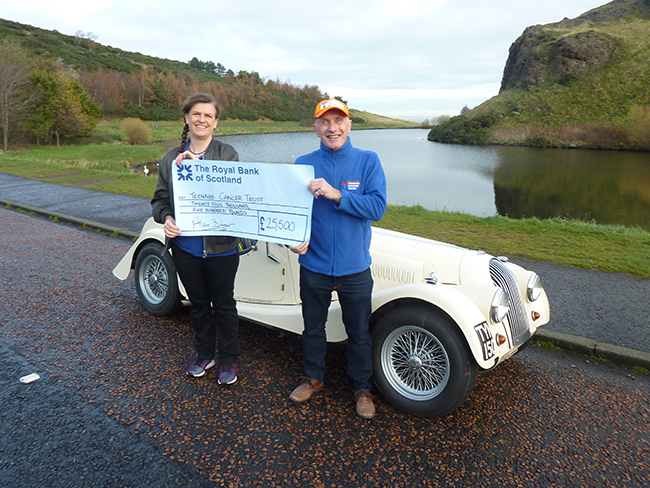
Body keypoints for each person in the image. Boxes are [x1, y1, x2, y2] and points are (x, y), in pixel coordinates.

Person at [288, 98, 387, 419]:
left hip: (355, 269)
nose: (332, 128)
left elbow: (377, 208)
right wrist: (293, 238)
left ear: (349, 125)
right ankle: (313, 378)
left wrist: (338, 194)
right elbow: (291, 213)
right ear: (316, 128)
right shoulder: (302, 163)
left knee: (359, 333)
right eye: (325, 122)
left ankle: (362, 388)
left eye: (338, 121)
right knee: (313, 328)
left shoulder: (368, 161)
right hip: (313, 266)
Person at [151, 92, 240, 385]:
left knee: (224, 305)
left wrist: (195, 169)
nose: (202, 119)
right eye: (196, 114)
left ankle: (229, 359)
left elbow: (230, 195)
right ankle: (204, 354)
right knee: (198, 304)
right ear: (187, 119)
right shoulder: (168, 159)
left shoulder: (227, 154)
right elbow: (160, 199)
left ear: (216, 123)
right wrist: (166, 218)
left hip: (222, 248)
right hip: (186, 248)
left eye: (208, 116)